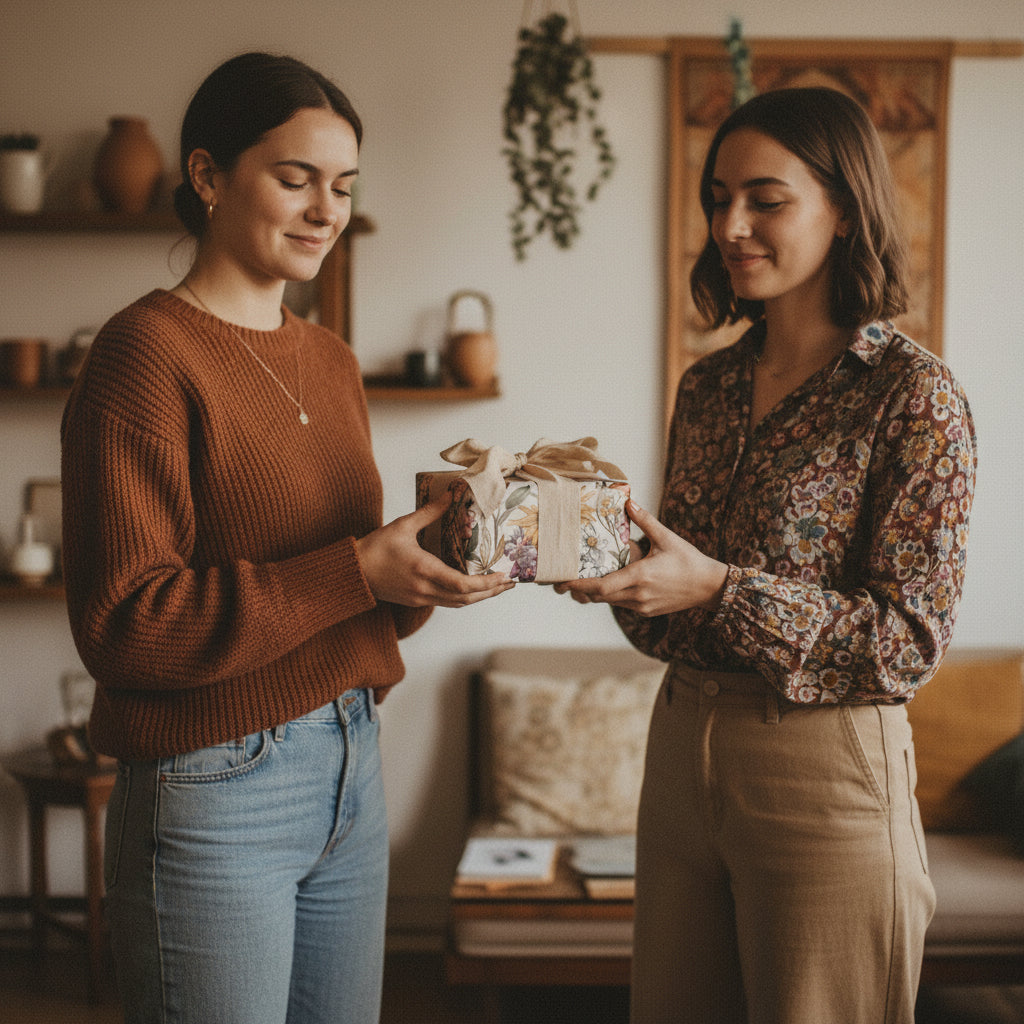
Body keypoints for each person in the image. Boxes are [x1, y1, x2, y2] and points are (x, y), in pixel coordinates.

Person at [60, 52, 513, 1024]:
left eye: (342, 186)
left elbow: (344, 589)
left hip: (350, 760)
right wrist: (357, 567)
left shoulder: (330, 358)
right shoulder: (144, 354)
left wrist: (420, 579)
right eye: (294, 178)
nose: (325, 210)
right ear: (208, 175)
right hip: (213, 783)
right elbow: (126, 627)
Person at [556, 86, 976, 1023]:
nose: (730, 224)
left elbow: (907, 641)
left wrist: (715, 588)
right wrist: (614, 570)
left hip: (825, 769)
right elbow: (671, 615)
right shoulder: (707, 386)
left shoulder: (914, 396)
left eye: (765, 199)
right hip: (680, 754)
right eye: (716, 198)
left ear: (845, 207)